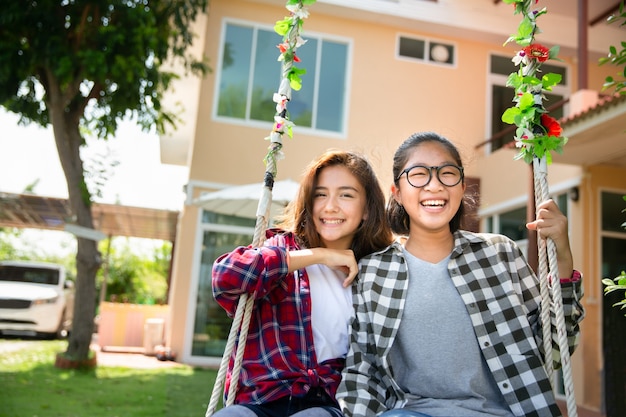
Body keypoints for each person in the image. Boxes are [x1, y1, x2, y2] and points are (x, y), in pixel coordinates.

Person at [336, 131, 585, 417]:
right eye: (418, 174)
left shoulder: (500, 254)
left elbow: (554, 351)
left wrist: (563, 256)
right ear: (397, 192)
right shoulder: (373, 273)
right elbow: (362, 372)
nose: (434, 185)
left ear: (462, 186)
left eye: (447, 173)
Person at [211, 149, 394, 417]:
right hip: (260, 400)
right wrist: (317, 255)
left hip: (325, 404)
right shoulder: (282, 249)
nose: (330, 206)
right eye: (320, 194)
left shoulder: (374, 275)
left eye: (346, 194)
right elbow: (225, 278)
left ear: (366, 209)